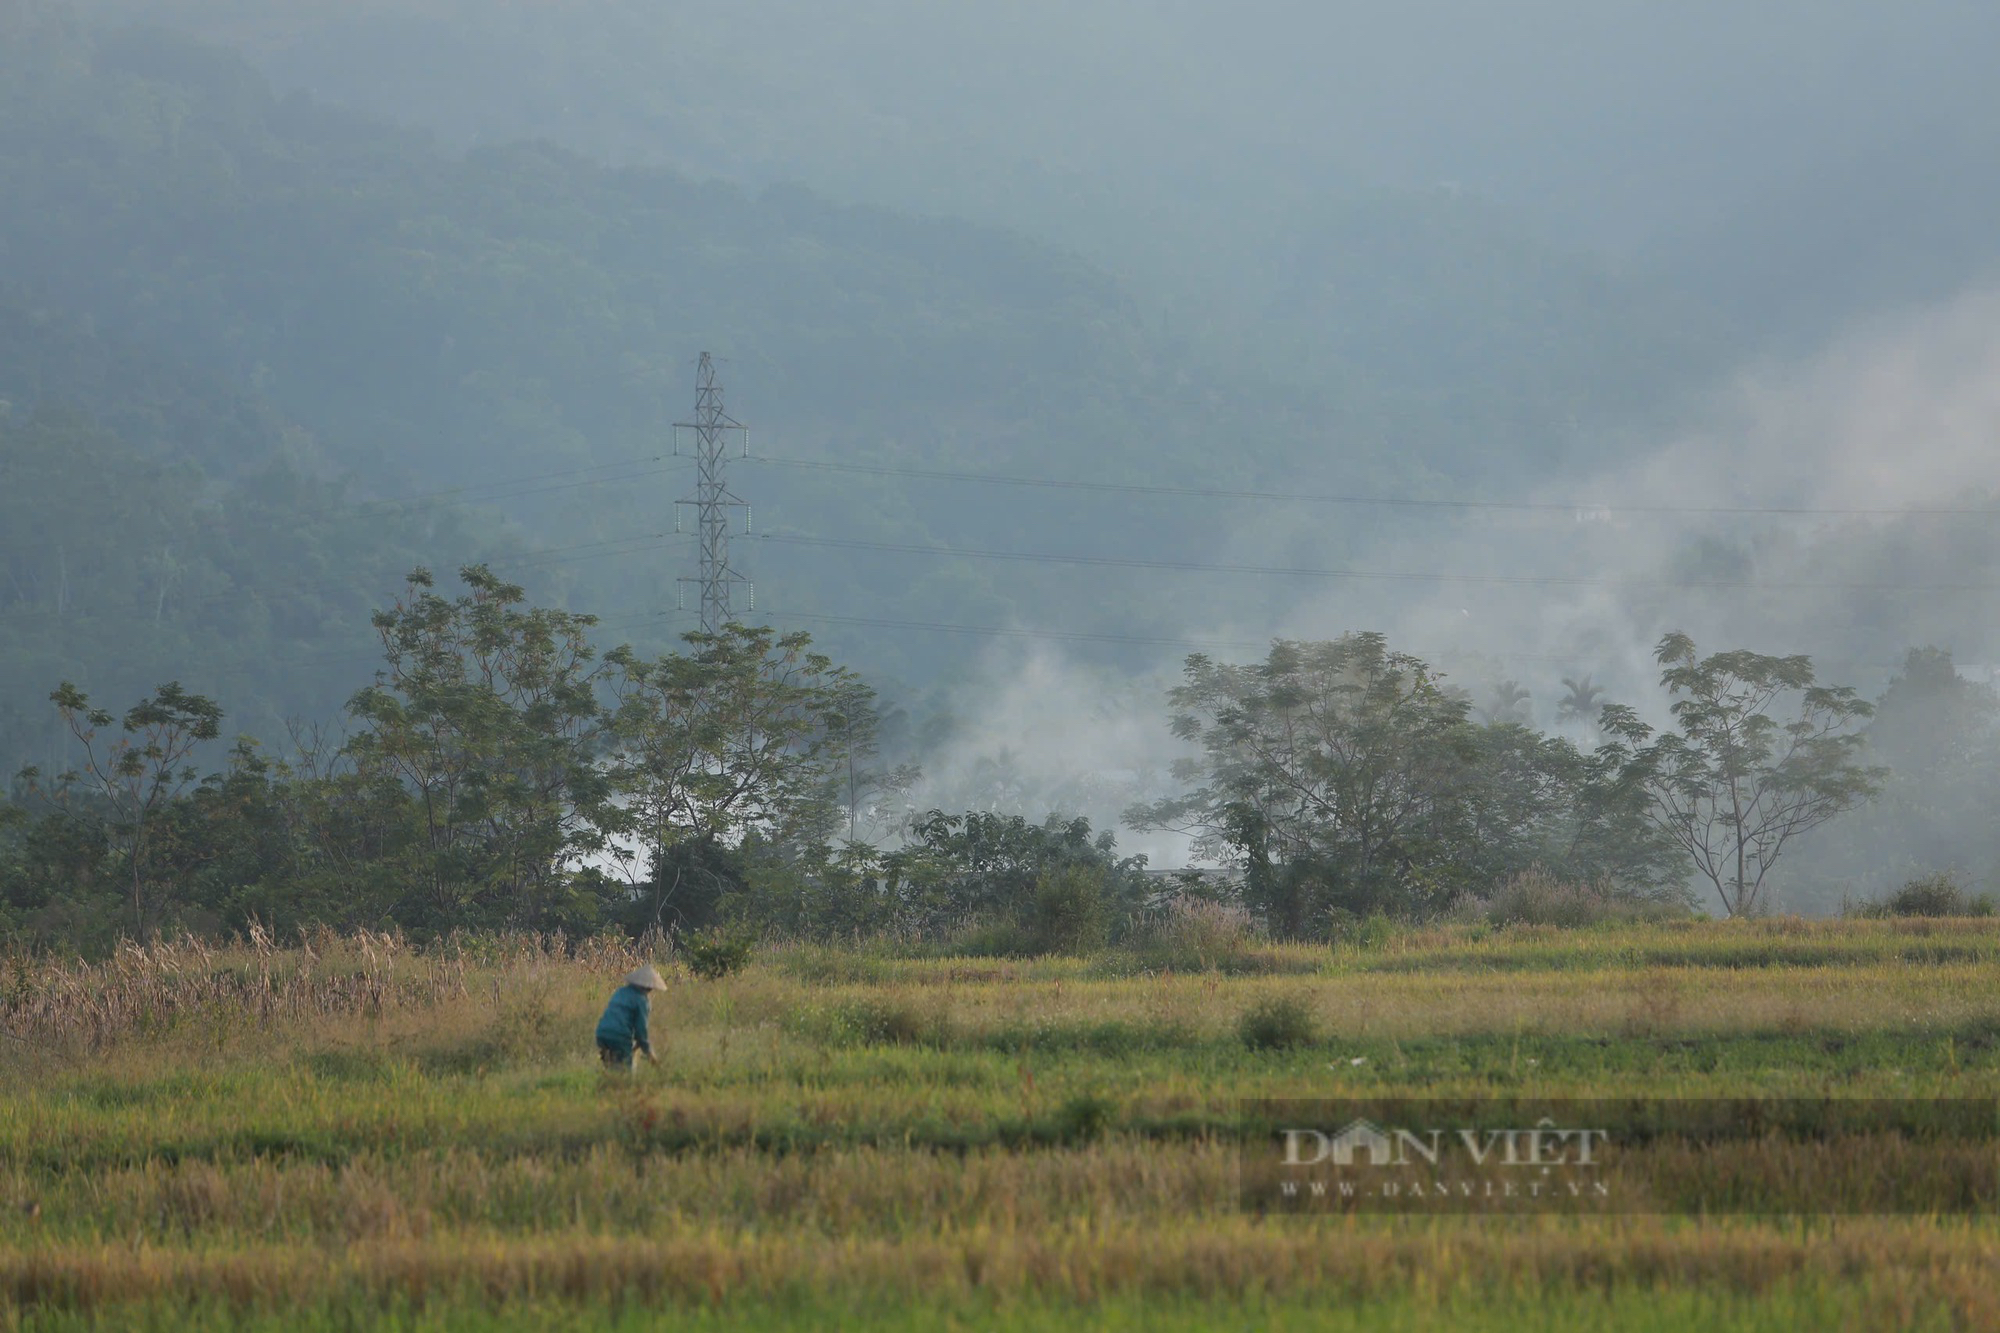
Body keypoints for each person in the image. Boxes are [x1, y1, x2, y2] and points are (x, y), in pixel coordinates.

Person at [596, 964, 664, 1069]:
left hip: (602, 1034)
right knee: (626, 1072)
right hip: (619, 1037)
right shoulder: (642, 1000)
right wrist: (651, 1055)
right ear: (648, 987)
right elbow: (641, 1033)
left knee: (610, 1068)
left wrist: (635, 1045)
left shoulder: (620, 992)